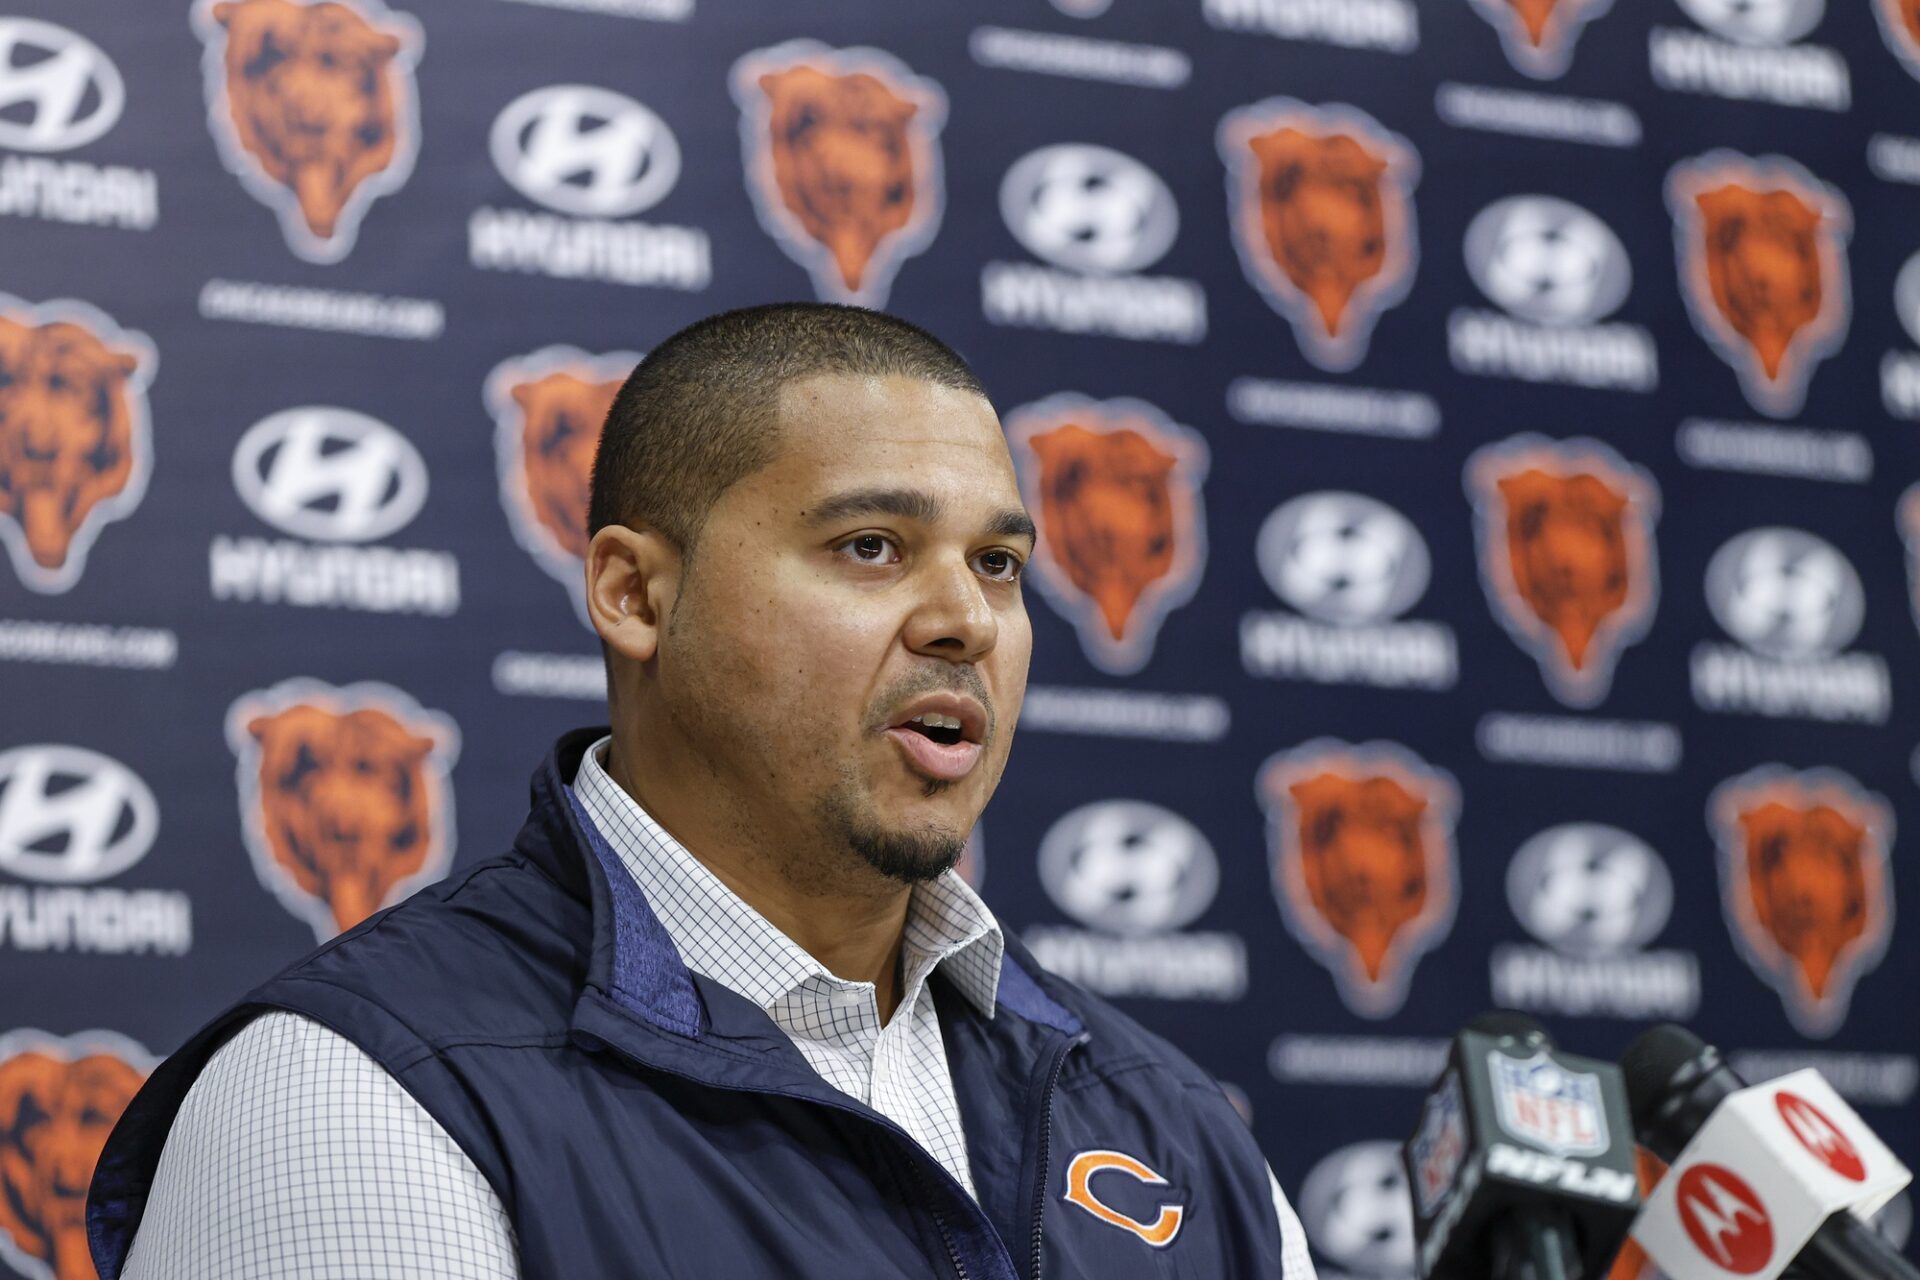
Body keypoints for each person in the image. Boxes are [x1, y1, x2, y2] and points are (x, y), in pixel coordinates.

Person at [87, 303, 1316, 1279]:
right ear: (634, 595)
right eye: (871, 546)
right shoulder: (363, 1094)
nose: (964, 621)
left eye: (997, 563)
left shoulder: (1168, 1122)